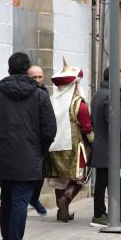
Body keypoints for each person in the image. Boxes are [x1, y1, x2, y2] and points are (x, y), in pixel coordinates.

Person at [0, 52, 57, 240]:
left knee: (6, 200)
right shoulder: (40, 95)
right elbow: (50, 130)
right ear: (27, 70)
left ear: (9, 69)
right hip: (29, 158)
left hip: (2, 157)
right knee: (20, 202)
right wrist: (39, 149)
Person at [45, 58, 94, 222]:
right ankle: (66, 198)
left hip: (54, 146)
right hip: (74, 147)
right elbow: (87, 127)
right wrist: (94, 142)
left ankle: (62, 212)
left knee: (59, 178)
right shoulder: (79, 104)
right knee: (80, 177)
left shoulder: (50, 102)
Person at [90, 67, 121, 227]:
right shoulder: (109, 96)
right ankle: (99, 214)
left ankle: (104, 212)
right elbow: (113, 123)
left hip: (102, 143)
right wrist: (120, 141)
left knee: (103, 180)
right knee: (104, 181)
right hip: (108, 146)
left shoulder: (99, 94)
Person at [27, 65, 49, 216]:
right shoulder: (27, 93)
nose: (37, 80)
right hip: (27, 140)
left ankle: (34, 199)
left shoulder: (44, 93)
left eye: (40, 77)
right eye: (34, 77)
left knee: (40, 176)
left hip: (40, 142)